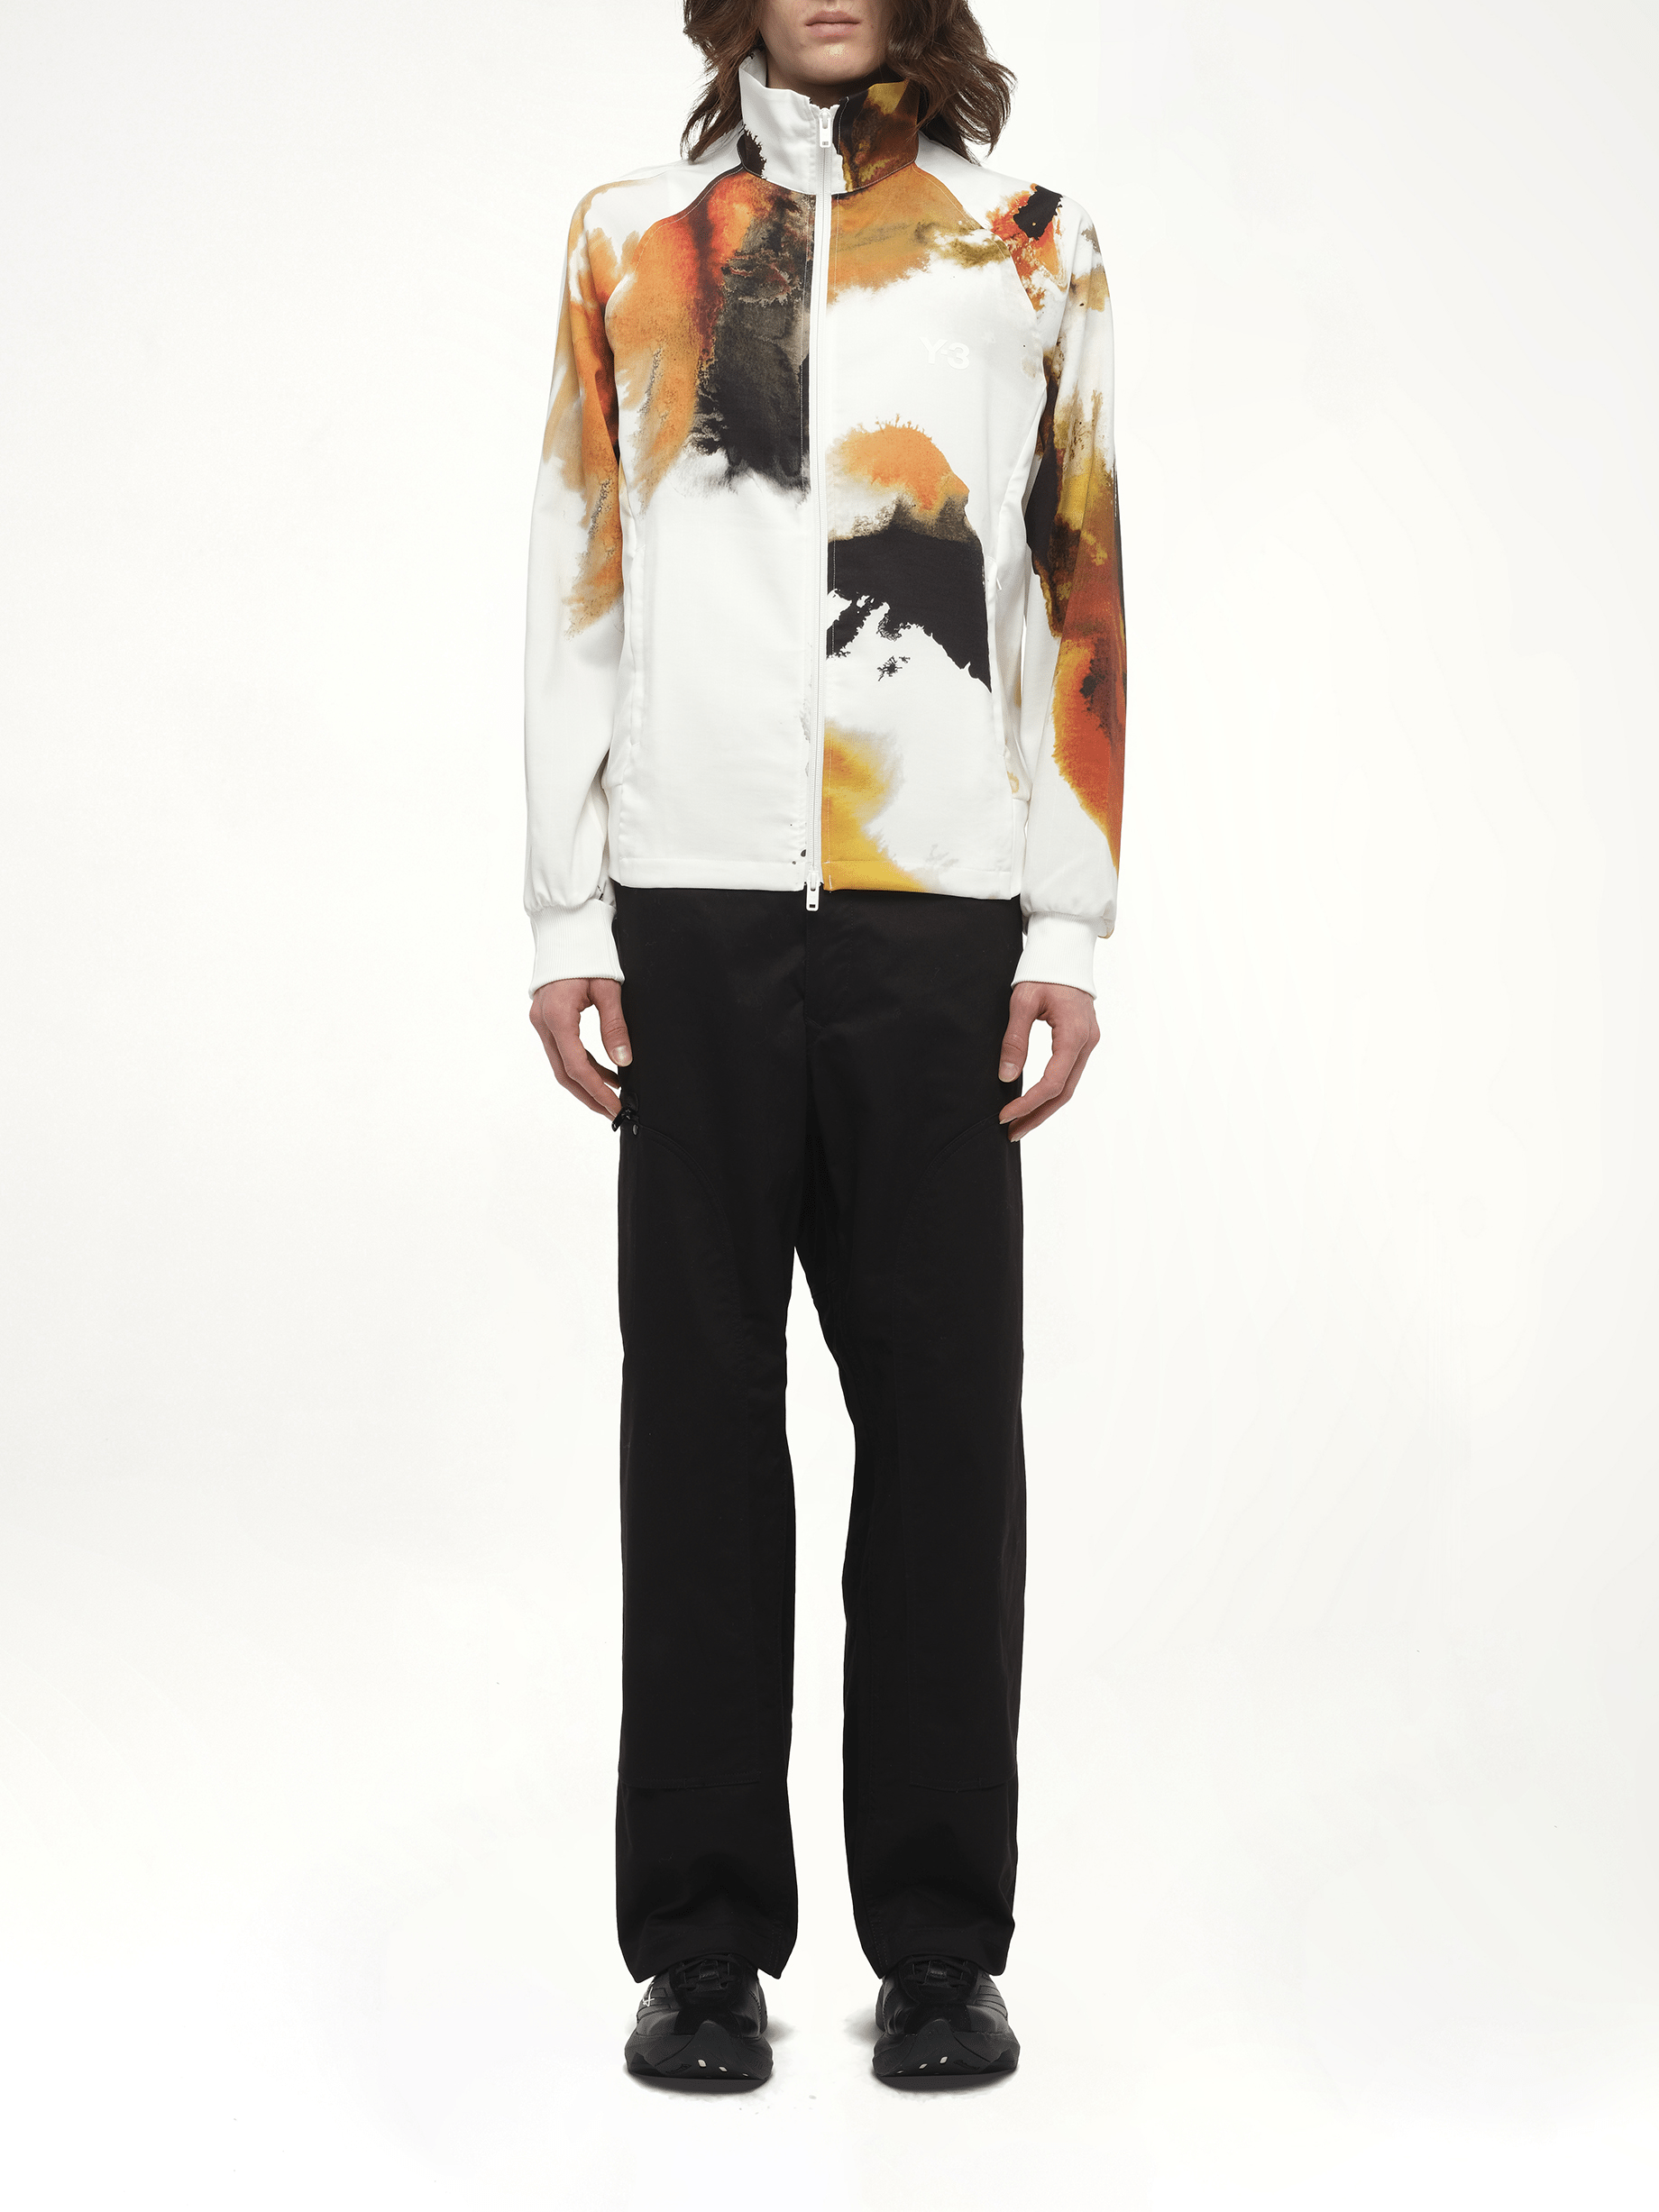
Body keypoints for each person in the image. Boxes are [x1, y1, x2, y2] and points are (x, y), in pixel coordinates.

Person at [523, 0, 1124, 2084]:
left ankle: (939, 1946)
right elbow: (581, 565)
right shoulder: (633, 242)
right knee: (696, 1426)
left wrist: (1062, 919)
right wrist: (563, 903)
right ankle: (700, 1947)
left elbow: (1073, 588)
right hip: (688, 908)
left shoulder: (1023, 246)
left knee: (944, 1434)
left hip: (931, 909)